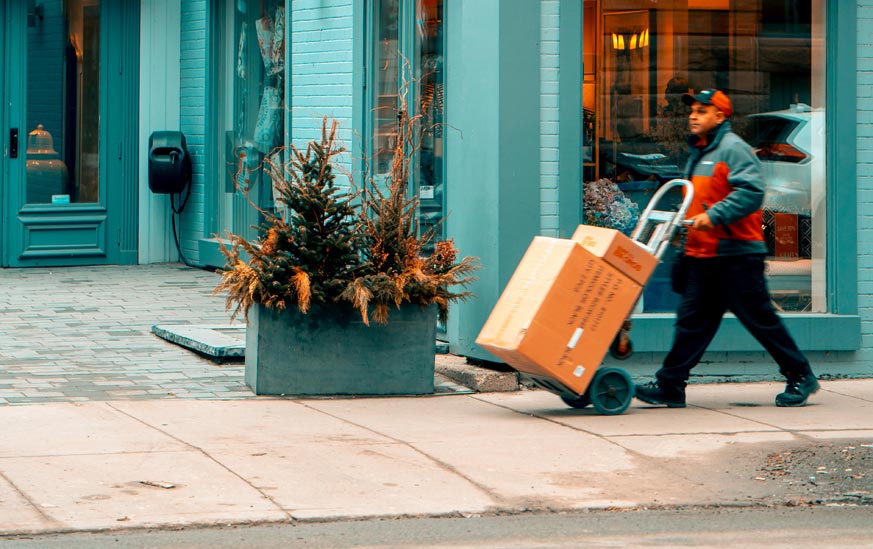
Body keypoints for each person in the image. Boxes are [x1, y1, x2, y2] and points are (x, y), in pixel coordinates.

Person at [635, 89, 819, 408]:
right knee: (692, 322)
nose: (693, 115)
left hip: (736, 253)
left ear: (720, 117)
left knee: (759, 319)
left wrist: (714, 215)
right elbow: (699, 197)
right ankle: (671, 385)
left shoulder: (733, 149)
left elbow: (751, 191)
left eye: (702, 111)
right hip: (704, 253)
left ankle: (801, 375)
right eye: (692, 110)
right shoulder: (701, 151)